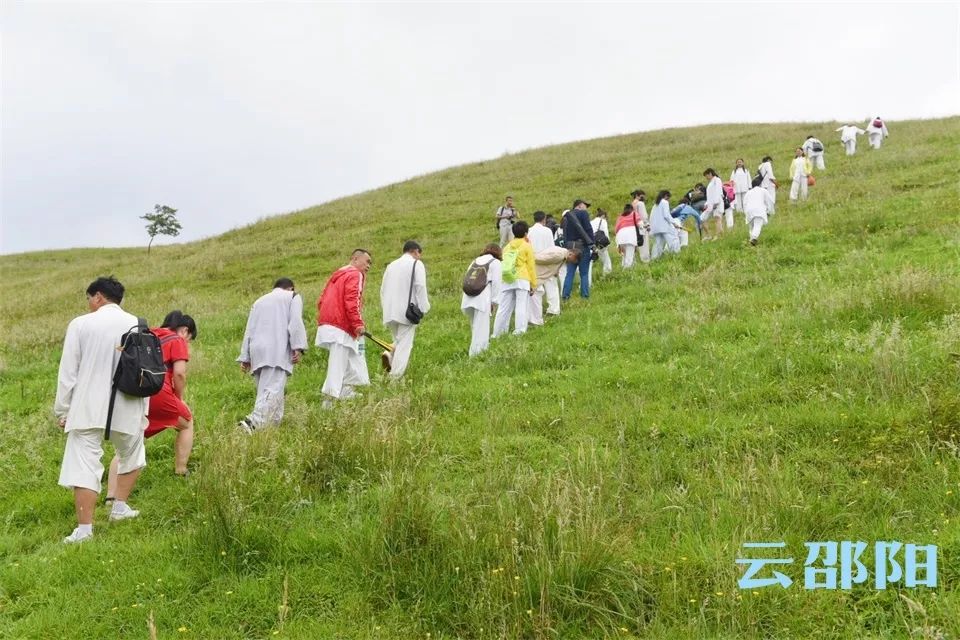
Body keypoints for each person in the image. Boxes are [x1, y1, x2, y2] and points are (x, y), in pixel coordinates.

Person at [54, 276, 148, 543]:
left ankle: (84, 530)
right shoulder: (138, 324)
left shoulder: (81, 324)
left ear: (98, 297)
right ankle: (119, 506)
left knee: (84, 462)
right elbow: (146, 370)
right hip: (129, 403)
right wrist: (144, 410)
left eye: (89, 299)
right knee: (133, 453)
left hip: (87, 405)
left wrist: (64, 410)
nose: (88, 304)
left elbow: (68, 372)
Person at [106, 310, 197, 499]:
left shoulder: (146, 333)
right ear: (184, 330)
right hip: (158, 393)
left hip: (133, 393)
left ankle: (110, 496)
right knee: (187, 422)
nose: (187, 342)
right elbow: (179, 373)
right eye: (189, 338)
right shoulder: (177, 339)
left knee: (127, 445)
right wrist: (178, 399)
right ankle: (181, 471)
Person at [237, 278, 308, 433]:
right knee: (272, 390)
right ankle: (250, 425)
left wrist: (245, 356)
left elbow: (249, 329)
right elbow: (295, 322)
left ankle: (270, 431)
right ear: (290, 288)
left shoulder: (259, 301)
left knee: (267, 392)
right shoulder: (293, 296)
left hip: (257, 350)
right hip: (276, 349)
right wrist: (298, 347)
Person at [316, 249, 372, 406]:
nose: (369, 266)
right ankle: (328, 402)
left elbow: (321, 300)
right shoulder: (355, 274)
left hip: (329, 322)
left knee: (351, 357)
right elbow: (351, 300)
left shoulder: (338, 274)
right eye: (367, 261)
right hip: (340, 325)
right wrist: (358, 323)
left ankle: (346, 390)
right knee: (337, 365)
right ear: (355, 259)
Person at [380, 240, 430, 378]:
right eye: (419, 254)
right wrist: (424, 308)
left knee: (399, 339)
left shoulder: (391, 266)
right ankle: (395, 378)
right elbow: (420, 286)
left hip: (390, 311)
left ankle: (389, 353)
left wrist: (386, 308)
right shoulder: (416, 263)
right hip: (406, 312)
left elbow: (382, 289)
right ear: (415, 252)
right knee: (405, 345)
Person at [493, 221, 538, 336]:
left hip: (508, 278)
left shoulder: (507, 247)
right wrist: (533, 284)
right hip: (522, 278)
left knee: (503, 307)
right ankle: (519, 331)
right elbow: (531, 267)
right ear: (526, 233)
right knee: (521, 305)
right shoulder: (527, 246)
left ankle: (498, 332)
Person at [461, 244, 503, 355]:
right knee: (482, 328)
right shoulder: (495, 263)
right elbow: (497, 283)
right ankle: (477, 353)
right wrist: (494, 302)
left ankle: (476, 350)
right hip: (483, 298)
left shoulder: (475, 261)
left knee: (475, 326)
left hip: (468, 297)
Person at [561, 199, 595, 300]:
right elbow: (588, 229)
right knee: (584, 273)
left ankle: (565, 296)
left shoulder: (566, 216)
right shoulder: (583, 214)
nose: (586, 208)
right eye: (585, 206)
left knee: (570, 273)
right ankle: (584, 295)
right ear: (579, 206)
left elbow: (565, 234)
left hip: (570, 247)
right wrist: (592, 243)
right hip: (583, 246)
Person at [528, 211, 558, 323]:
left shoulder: (530, 231)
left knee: (536, 287)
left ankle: (536, 313)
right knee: (552, 284)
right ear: (544, 219)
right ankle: (554, 309)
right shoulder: (548, 231)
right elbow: (552, 247)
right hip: (548, 260)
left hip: (535, 261)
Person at [650, 190, 682, 259]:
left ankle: (654, 259)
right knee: (672, 240)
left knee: (658, 244)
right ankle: (676, 255)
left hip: (656, 228)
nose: (668, 199)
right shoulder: (665, 202)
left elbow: (652, 217)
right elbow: (666, 215)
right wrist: (674, 223)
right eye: (668, 197)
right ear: (665, 196)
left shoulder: (655, 204)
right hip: (664, 227)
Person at [615, 203, 641, 268]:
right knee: (629, 258)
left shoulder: (620, 217)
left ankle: (624, 270)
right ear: (632, 209)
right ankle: (626, 272)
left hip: (620, 237)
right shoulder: (634, 214)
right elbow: (640, 224)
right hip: (630, 237)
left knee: (625, 256)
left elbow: (616, 229)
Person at [702, 169, 725, 241]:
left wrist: (716, 203)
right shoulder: (710, 183)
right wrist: (706, 204)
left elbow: (718, 192)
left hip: (717, 203)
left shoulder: (717, 180)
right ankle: (708, 235)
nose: (706, 177)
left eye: (706, 176)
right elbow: (709, 196)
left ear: (710, 174)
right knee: (702, 219)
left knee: (717, 219)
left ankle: (718, 236)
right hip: (710, 204)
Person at [590, 208, 613, 280]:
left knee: (590, 263)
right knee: (607, 262)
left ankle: (589, 278)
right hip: (600, 244)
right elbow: (606, 233)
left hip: (592, 243)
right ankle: (606, 277)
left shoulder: (591, 222)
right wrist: (607, 244)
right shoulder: (603, 221)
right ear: (603, 216)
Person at [631, 190, 651, 262]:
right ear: (637, 195)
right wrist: (647, 225)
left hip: (634, 226)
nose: (644, 197)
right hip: (642, 225)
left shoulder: (632, 204)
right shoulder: (640, 203)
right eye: (642, 195)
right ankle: (646, 260)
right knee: (644, 244)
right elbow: (644, 216)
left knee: (637, 244)